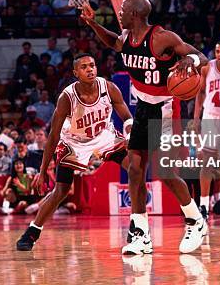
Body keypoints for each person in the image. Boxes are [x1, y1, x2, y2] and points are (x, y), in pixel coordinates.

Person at [82, 0, 208, 255]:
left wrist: (190, 61)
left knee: (164, 171)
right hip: (143, 108)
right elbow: (113, 43)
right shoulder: (127, 37)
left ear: (136, 14)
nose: (120, 12)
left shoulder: (162, 38)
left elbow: (201, 57)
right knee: (136, 170)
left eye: (124, 9)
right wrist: (93, 24)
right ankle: (141, 233)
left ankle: (195, 220)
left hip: (165, 108)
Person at [16, 53, 133, 251]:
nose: (90, 70)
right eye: (84, 67)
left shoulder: (109, 88)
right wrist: (43, 170)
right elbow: (53, 136)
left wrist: (129, 132)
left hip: (103, 135)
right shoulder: (67, 97)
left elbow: (126, 115)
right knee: (61, 189)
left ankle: (137, 223)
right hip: (74, 142)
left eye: (93, 65)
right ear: (75, 73)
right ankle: (32, 231)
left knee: (135, 168)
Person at [193, 43, 220, 219]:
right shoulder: (207, 68)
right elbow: (201, 93)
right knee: (207, 162)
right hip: (211, 117)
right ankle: (203, 205)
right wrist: (196, 117)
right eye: (217, 51)